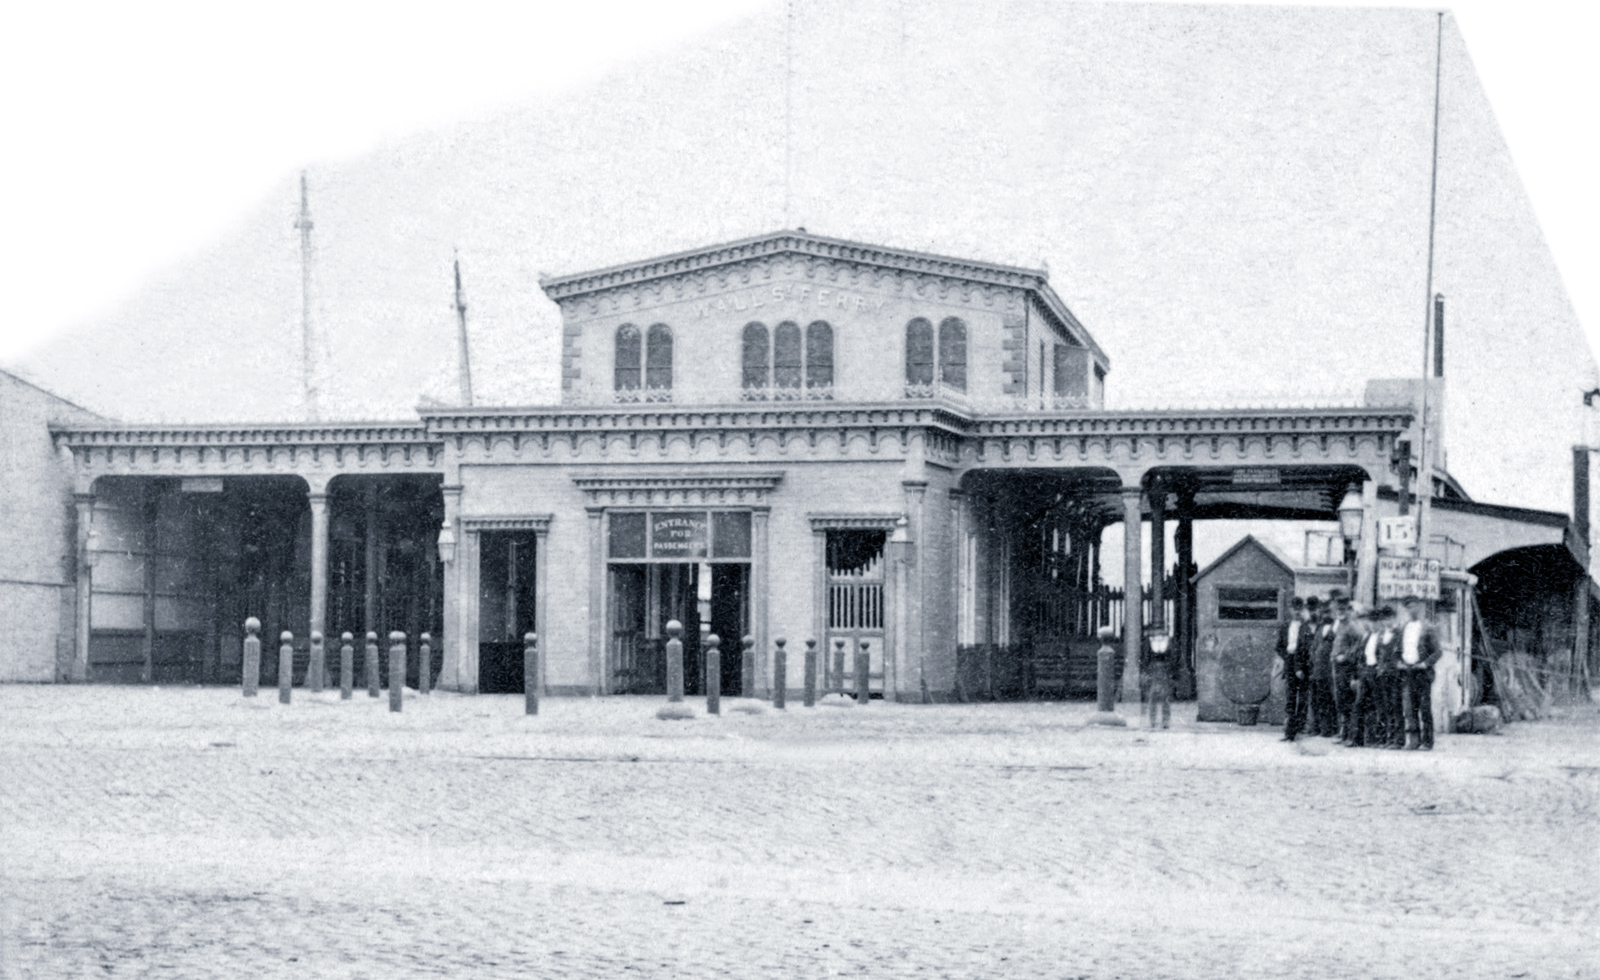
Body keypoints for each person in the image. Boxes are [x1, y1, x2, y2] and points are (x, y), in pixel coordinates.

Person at [1396, 594, 1443, 750]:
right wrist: (1399, 662)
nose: (1412, 610)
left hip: (1422, 672)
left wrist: (1425, 663)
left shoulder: (1428, 628)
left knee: (1424, 708)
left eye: (1414, 606)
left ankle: (1428, 742)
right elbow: (1398, 650)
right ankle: (1414, 740)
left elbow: (1438, 652)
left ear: (1420, 607)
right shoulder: (1404, 628)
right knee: (1410, 708)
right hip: (1408, 671)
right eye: (1408, 607)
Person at [1329, 594, 1365, 743]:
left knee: (1348, 699)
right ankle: (1344, 734)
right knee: (1340, 700)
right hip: (1336, 666)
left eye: (1343, 609)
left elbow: (1360, 641)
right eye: (1338, 609)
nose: (1341, 612)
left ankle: (1352, 736)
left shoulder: (1351, 625)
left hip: (1347, 667)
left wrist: (1346, 655)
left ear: (1348, 610)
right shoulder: (1338, 624)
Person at [1278, 596, 1314, 741]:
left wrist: (1300, 666)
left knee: (1303, 698)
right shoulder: (1285, 626)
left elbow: (1306, 648)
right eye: (1294, 609)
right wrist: (1287, 657)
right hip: (1290, 661)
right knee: (1291, 697)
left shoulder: (1306, 627)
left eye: (1299, 609)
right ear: (1290, 610)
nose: (1297, 612)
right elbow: (1279, 646)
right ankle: (1289, 731)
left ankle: (1299, 727)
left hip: (1303, 664)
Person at [1373, 606, 1405, 749]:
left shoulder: (1400, 634)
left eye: (1390, 618)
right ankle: (1387, 738)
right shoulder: (1381, 634)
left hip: (1395, 675)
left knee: (1395, 707)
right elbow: (1378, 653)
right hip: (1382, 675)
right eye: (1385, 619)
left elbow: (1403, 653)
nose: (1387, 622)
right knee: (1384, 707)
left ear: (1395, 618)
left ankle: (1398, 740)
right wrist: (1379, 667)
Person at [1307, 594, 1338, 736]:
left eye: (1328, 611)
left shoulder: (1335, 627)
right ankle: (1317, 727)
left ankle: (1328, 728)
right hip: (1317, 670)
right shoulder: (1320, 627)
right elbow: (1314, 646)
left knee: (1328, 700)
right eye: (1323, 610)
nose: (1325, 613)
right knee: (1317, 699)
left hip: (1329, 671)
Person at [1141, 629, 1174, 729]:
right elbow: (1172, 657)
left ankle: (1155, 721)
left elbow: (1145, 658)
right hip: (1161, 670)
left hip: (1156, 670)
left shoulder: (1150, 641)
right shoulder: (1167, 641)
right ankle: (1164, 721)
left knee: (1155, 697)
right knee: (1163, 697)